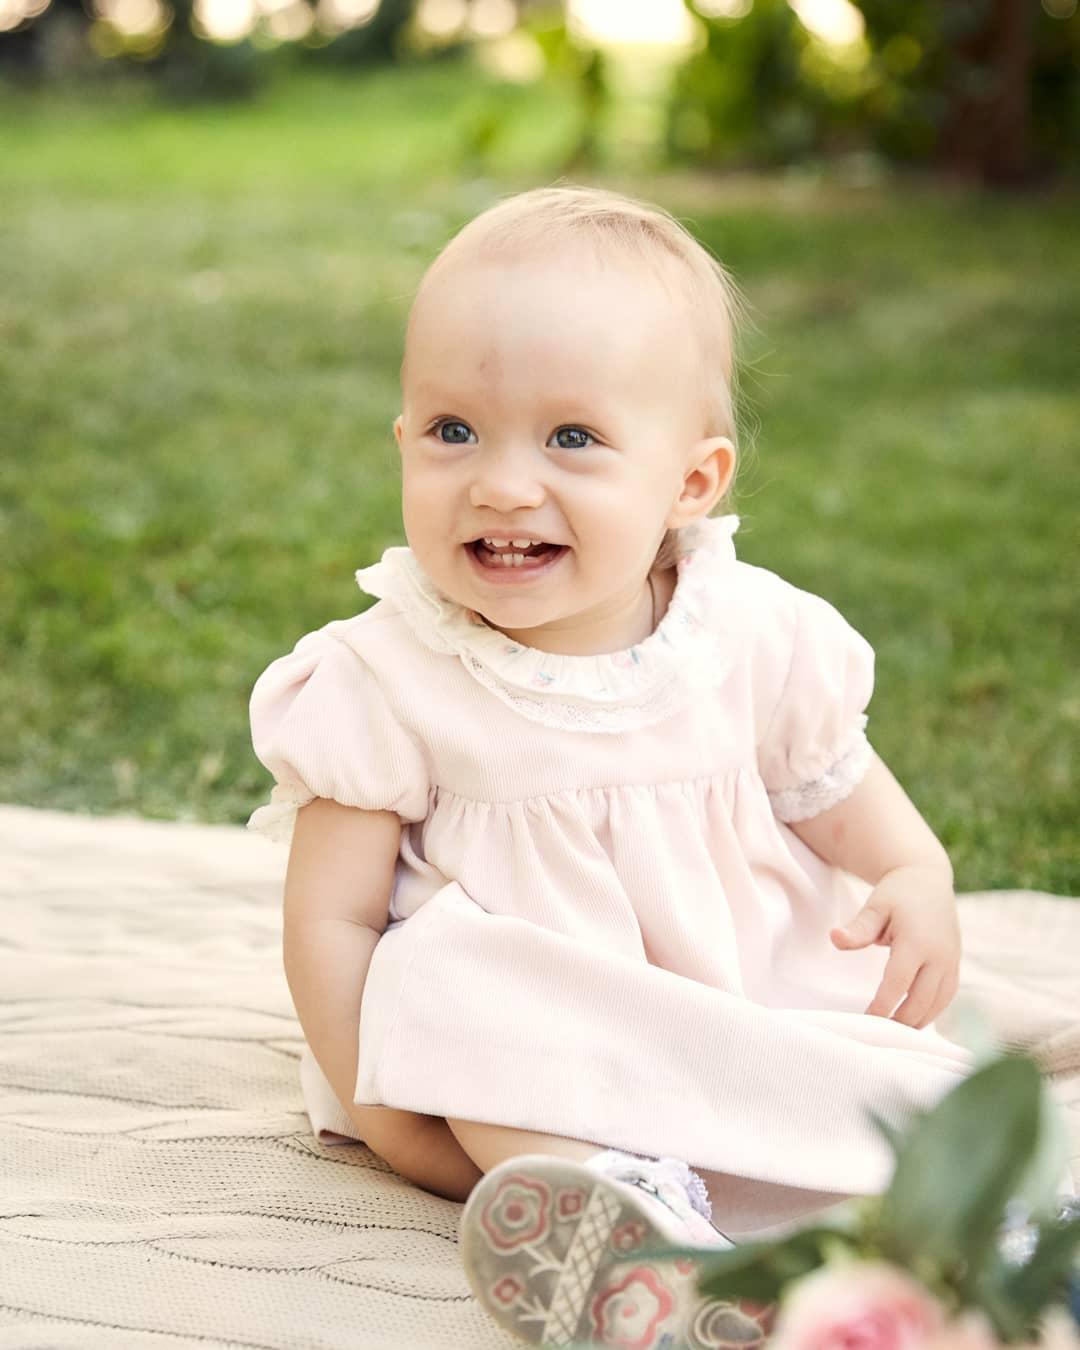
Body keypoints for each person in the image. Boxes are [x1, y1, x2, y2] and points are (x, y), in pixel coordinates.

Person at [248, 185, 978, 1347]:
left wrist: (914, 875)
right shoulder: (386, 674)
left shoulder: (750, 635)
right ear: (403, 440)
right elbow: (331, 919)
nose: (501, 484)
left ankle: (891, 1206)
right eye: (453, 432)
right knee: (456, 982)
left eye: (572, 439)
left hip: (729, 1007)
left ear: (691, 482)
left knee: (871, 1093)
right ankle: (629, 1231)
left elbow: (842, 790)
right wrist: (381, 1110)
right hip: (523, 1054)